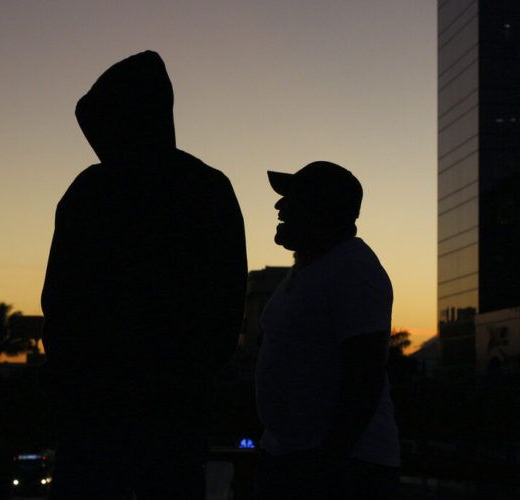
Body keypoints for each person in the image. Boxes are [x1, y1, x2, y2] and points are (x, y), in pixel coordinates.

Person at [41, 50, 247, 499]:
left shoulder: (89, 191)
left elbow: (58, 302)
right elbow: (228, 303)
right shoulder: (207, 186)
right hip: (171, 406)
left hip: (100, 408)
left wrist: (76, 375)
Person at [255, 161, 400, 499]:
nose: (279, 207)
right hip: (294, 457)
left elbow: (365, 376)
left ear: (321, 210)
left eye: (291, 199)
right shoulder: (310, 268)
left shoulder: (353, 269)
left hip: (342, 468)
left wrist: (328, 461)